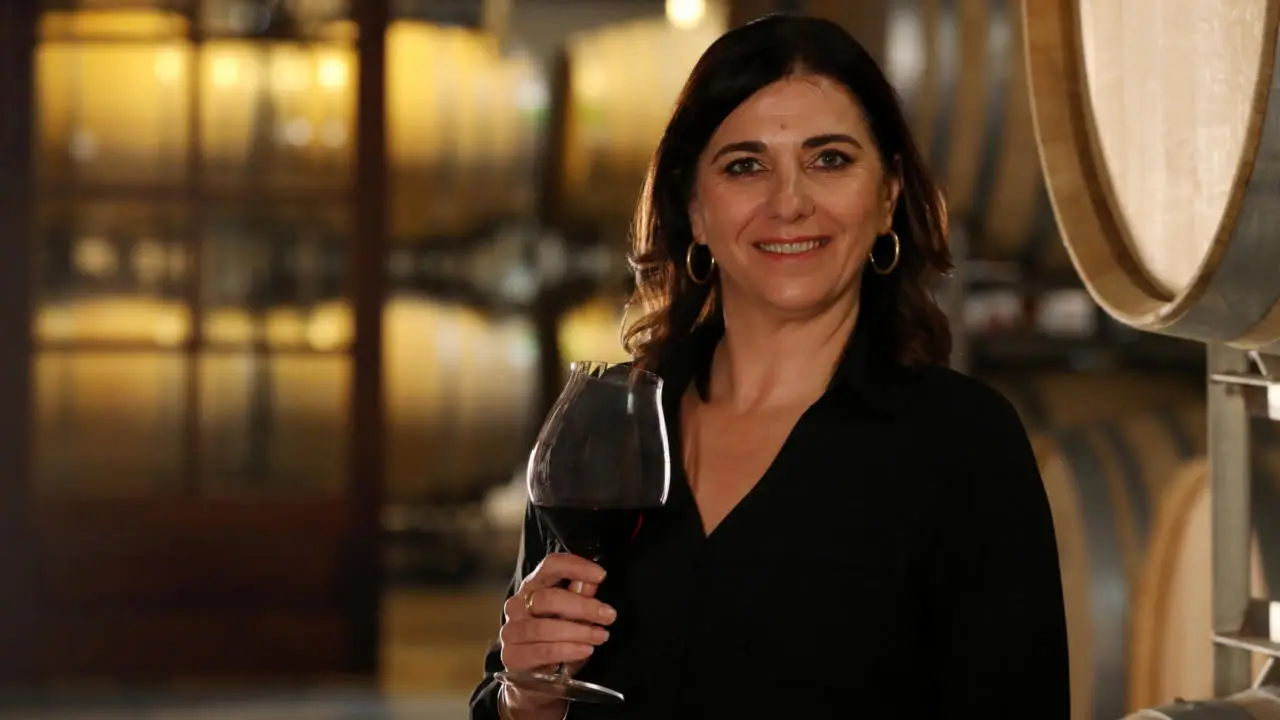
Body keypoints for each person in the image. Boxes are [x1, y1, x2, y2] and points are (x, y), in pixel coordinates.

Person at [470, 13, 1069, 719]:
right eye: (744, 166)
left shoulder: (964, 443)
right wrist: (525, 696)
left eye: (830, 160)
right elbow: (509, 691)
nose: (789, 203)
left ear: (888, 197)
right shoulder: (608, 425)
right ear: (694, 208)